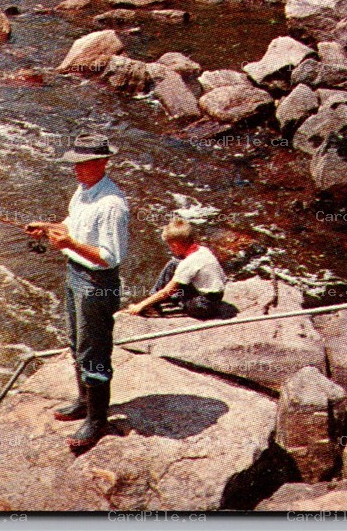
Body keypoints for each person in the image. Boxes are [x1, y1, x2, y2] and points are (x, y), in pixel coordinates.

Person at [25, 133, 129, 454]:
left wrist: (68, 245)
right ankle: (84, 401)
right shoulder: (83, 190)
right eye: (75, 164)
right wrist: (50, 227)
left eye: (82, 164)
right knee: (76, 341)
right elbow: (72, 225)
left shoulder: (113, 204)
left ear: (102, 163)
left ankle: (98, 419)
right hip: (75, 274)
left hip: (98, 282)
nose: (76, 170)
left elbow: (110, 256)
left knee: (94, 349)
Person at [126, 218, 226, 320]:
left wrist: (140, 305)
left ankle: (152, 303)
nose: (170, 249)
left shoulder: (188, 263)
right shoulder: (203, 250)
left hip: (203, 307)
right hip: (217, 299)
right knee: (175, 263)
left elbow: (166, 291)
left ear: (175, 245)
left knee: (173, 284)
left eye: (170, 246)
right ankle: (154, 298)